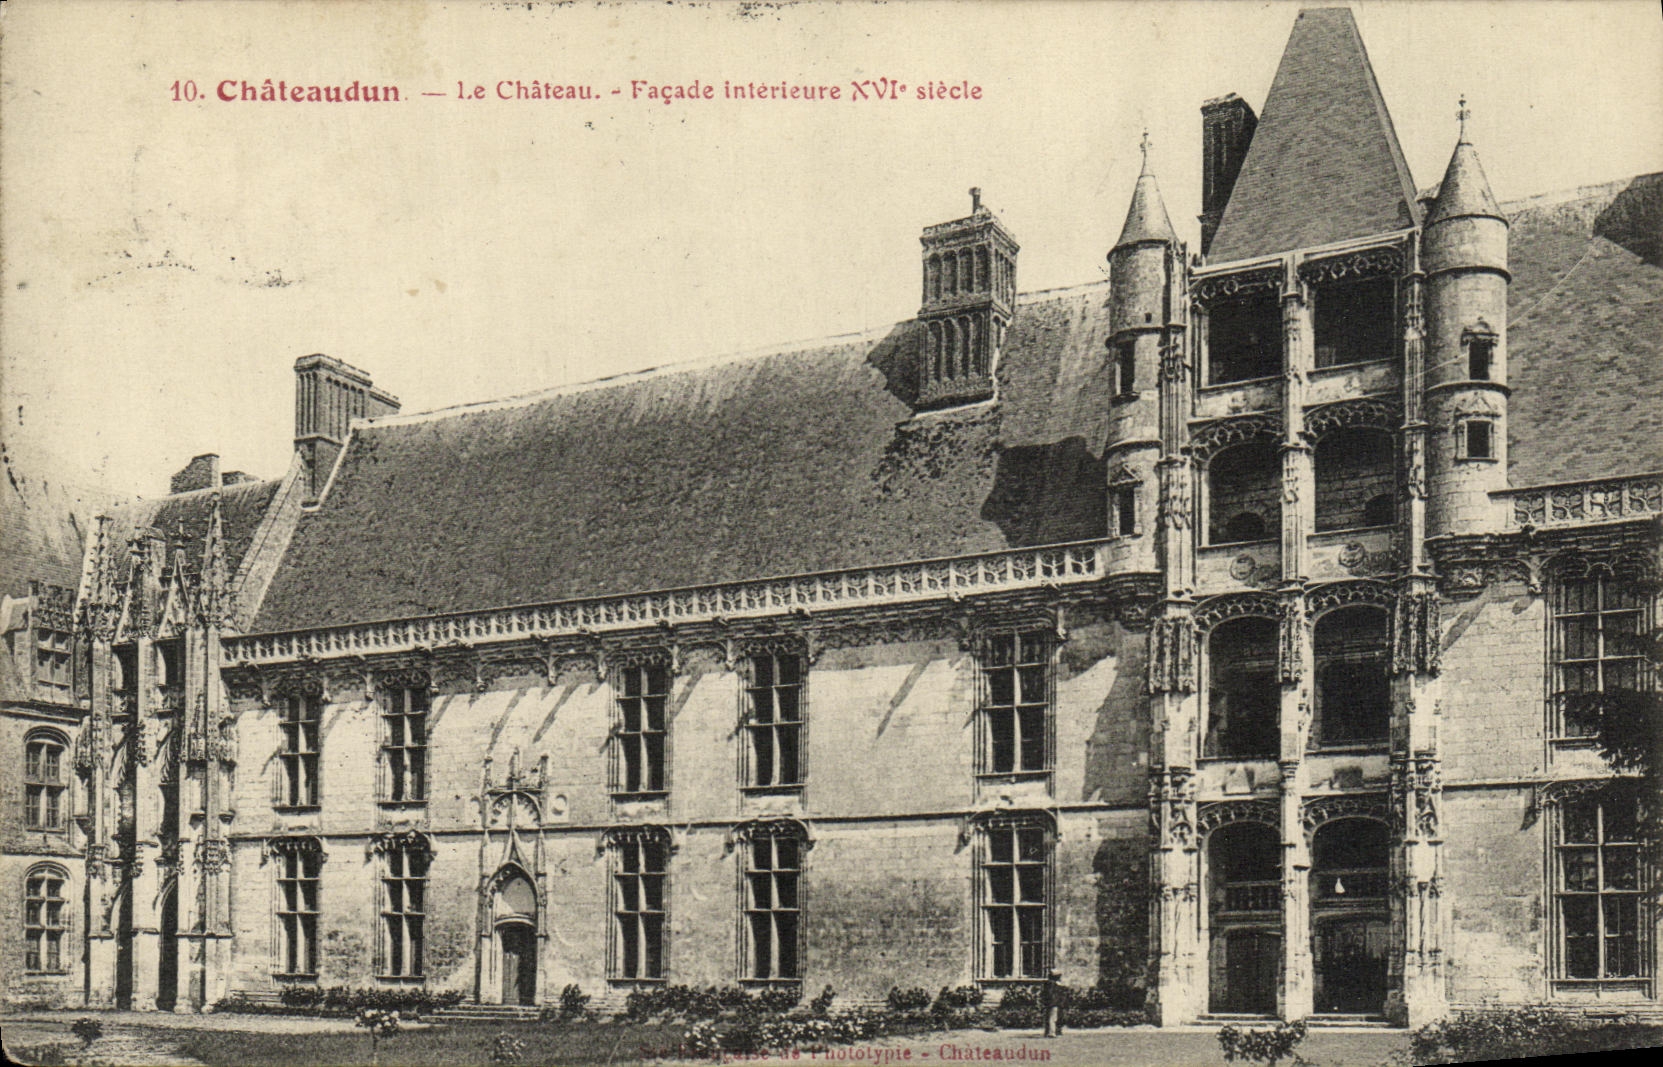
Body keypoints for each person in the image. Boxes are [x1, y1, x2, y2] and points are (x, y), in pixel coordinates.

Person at [1042, 968, 1064, 1037]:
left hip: (1053, 1003)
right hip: (1054, 1003)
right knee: (1053, 1017)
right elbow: (1051, 994)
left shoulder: (1051, 984)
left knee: (1052, 1017)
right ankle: (1052, 1032)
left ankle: (1051, 1031)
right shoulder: (1052, 984)